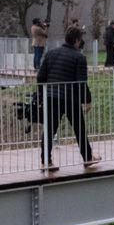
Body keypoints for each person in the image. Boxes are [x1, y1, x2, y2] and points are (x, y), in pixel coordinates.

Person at [36, 26, 95, 173]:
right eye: (80, 40)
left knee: (49, 130)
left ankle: (46, 161)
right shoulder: (79, 57)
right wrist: (87, 100)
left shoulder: (51, 54)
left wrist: (42, 94)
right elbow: (81, 82)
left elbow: (40, 77)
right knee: (79, 128)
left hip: (51, 97)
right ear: (76, 40)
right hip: (70, 99)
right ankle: (87, 158)